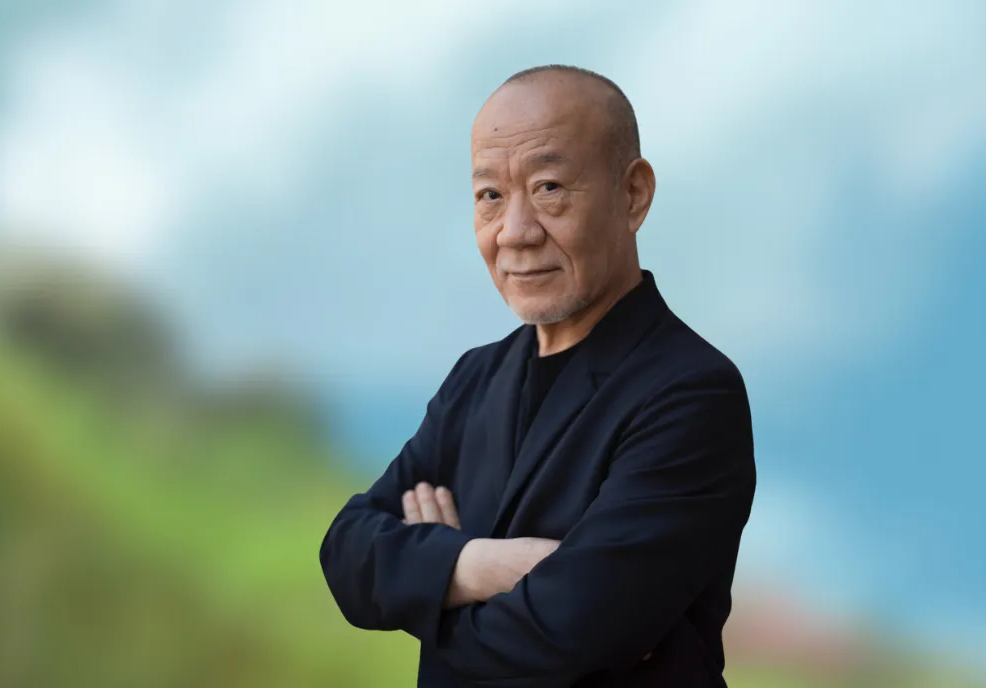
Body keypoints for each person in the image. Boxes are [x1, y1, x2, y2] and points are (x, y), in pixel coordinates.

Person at [319, 64, 756, 687]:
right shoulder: (475, 379)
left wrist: (424, 588)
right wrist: (480, 566)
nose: (515, 233)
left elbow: (573, 630)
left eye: (549, 187)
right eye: (490, 196)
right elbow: (346, 552)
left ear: (633, 195)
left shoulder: (690, 392)